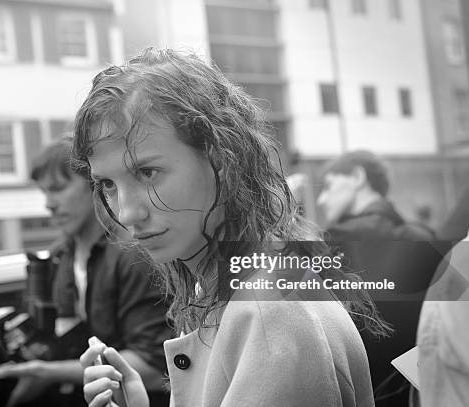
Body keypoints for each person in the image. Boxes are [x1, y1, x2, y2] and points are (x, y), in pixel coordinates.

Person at [73, 48, 385, 407]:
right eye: (108, 185)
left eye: (147, 172)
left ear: (221, 160)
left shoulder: (269, 317)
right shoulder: (233, 285)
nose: (127, 213)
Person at [0, 139, 172, 407]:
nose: (49, 204)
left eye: (58, 189)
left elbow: (155, 367)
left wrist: (48, 373)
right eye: (44, 192)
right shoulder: (56, 258)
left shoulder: (134, 254)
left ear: (94, 184)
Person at [317, 151, 438, 407]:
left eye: (328, 186)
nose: (321, 199)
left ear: (358, 177)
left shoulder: (334, 242)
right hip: (419, 391)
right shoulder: (426, 237)